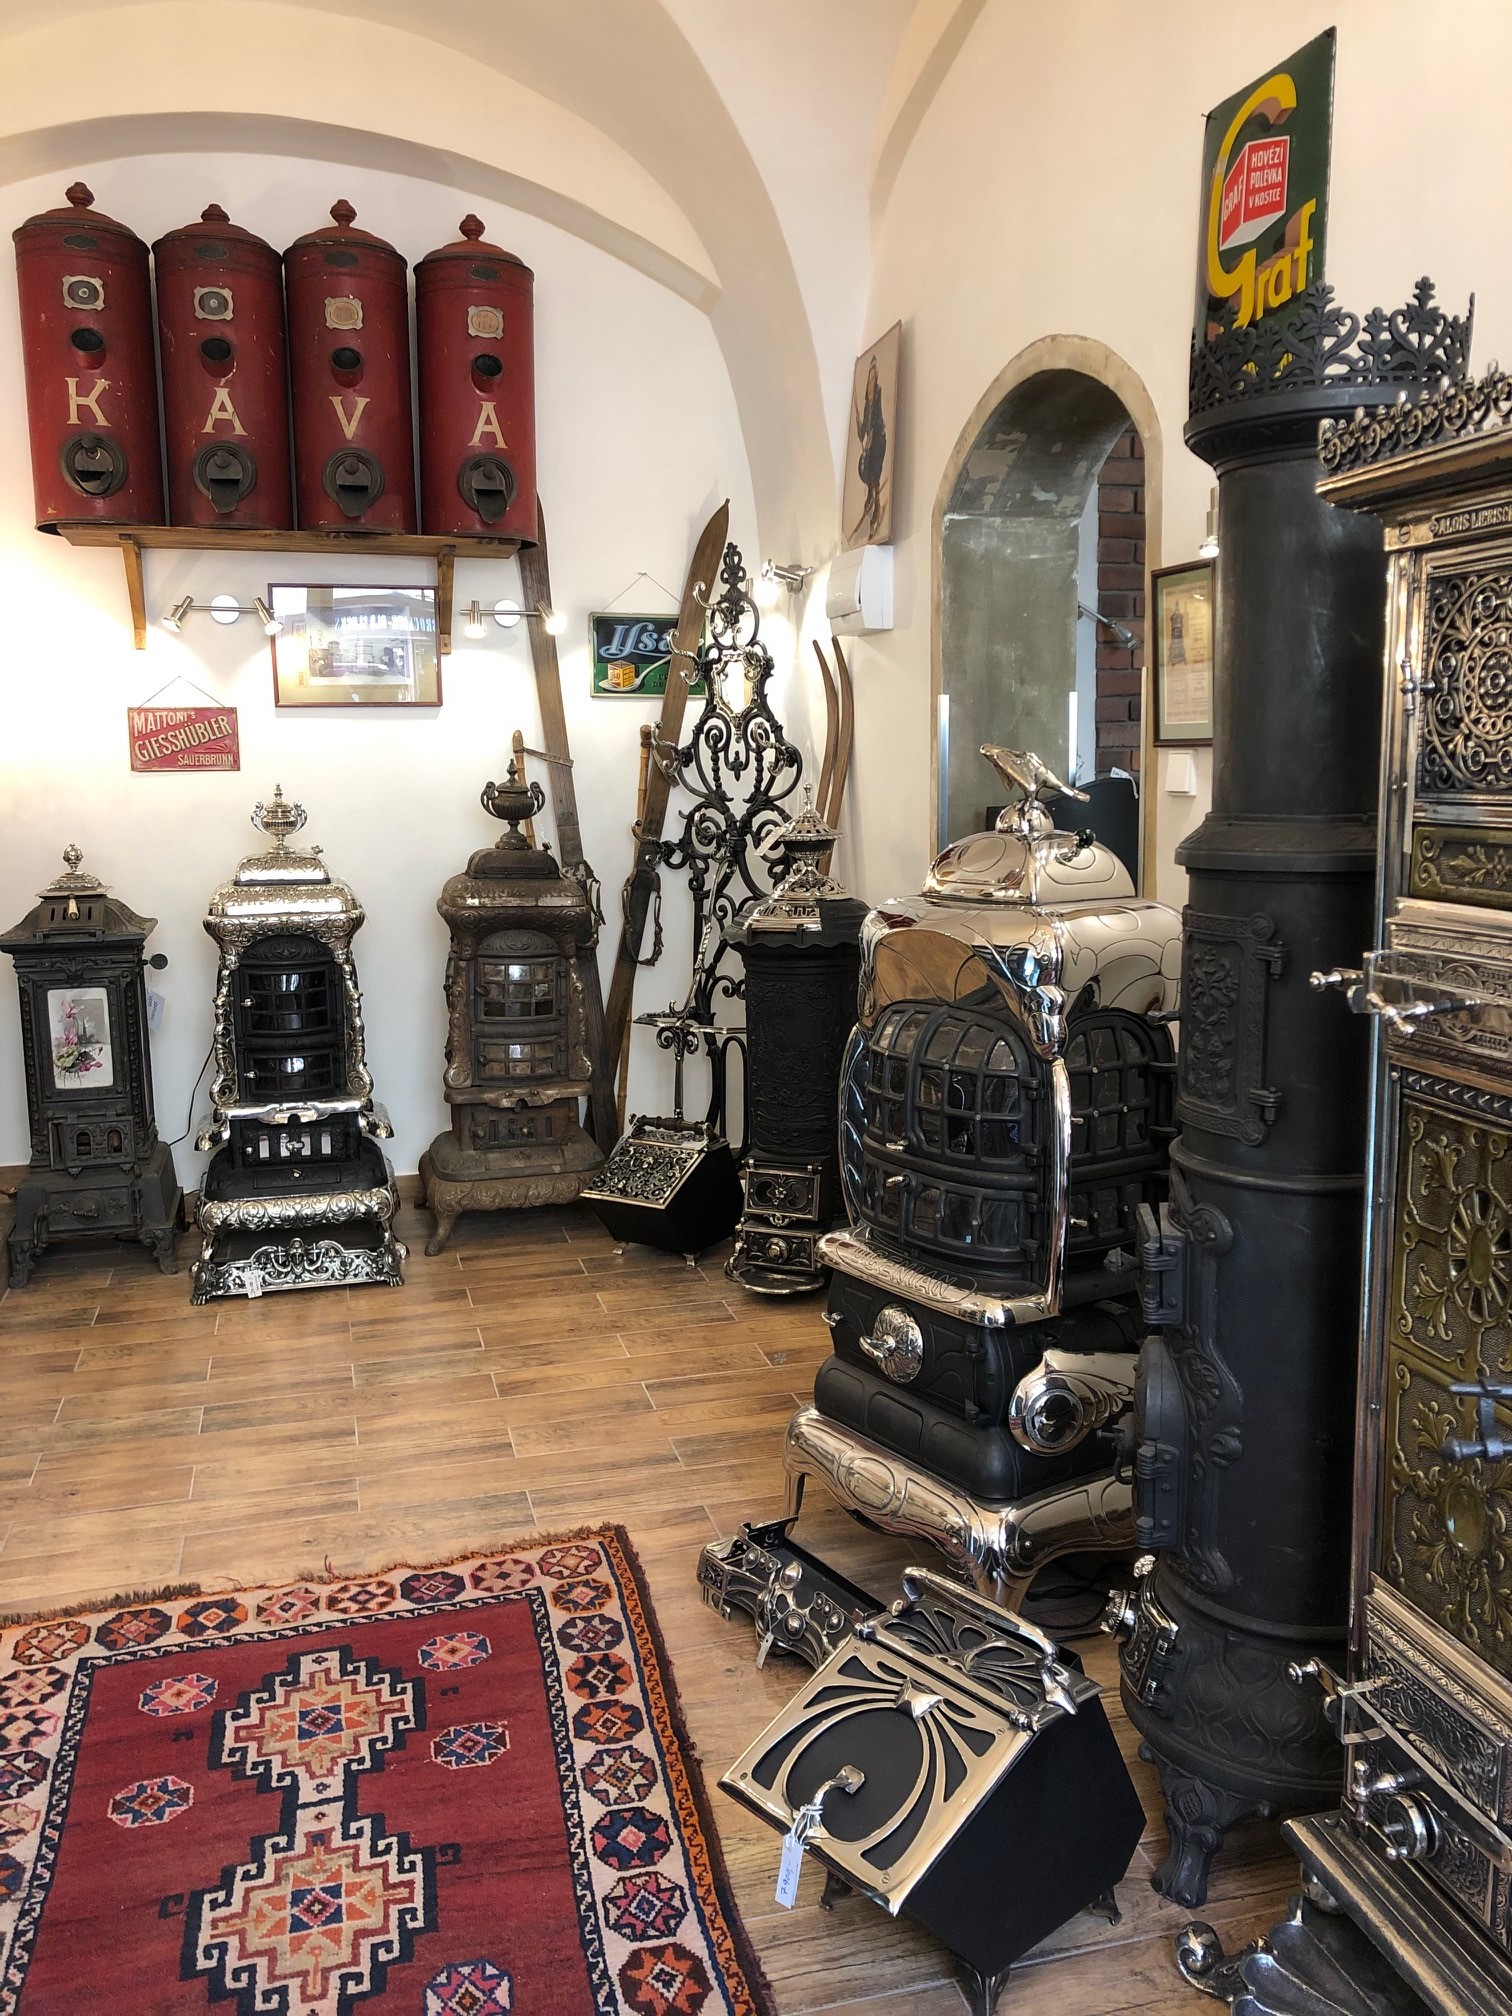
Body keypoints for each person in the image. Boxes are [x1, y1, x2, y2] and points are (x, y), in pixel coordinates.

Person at [851, 354, 887, 543]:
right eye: (869, 380)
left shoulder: (878, 396)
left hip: (879, 439)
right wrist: (860, 424)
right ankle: (870, 493)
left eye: (874, 379)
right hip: (870, 442)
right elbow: (862, 430)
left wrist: (873, 434)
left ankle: (876, 503)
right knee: (864, 468)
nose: (871, 383)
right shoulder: (866, 403)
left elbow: (878, 419)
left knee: (875, 470)